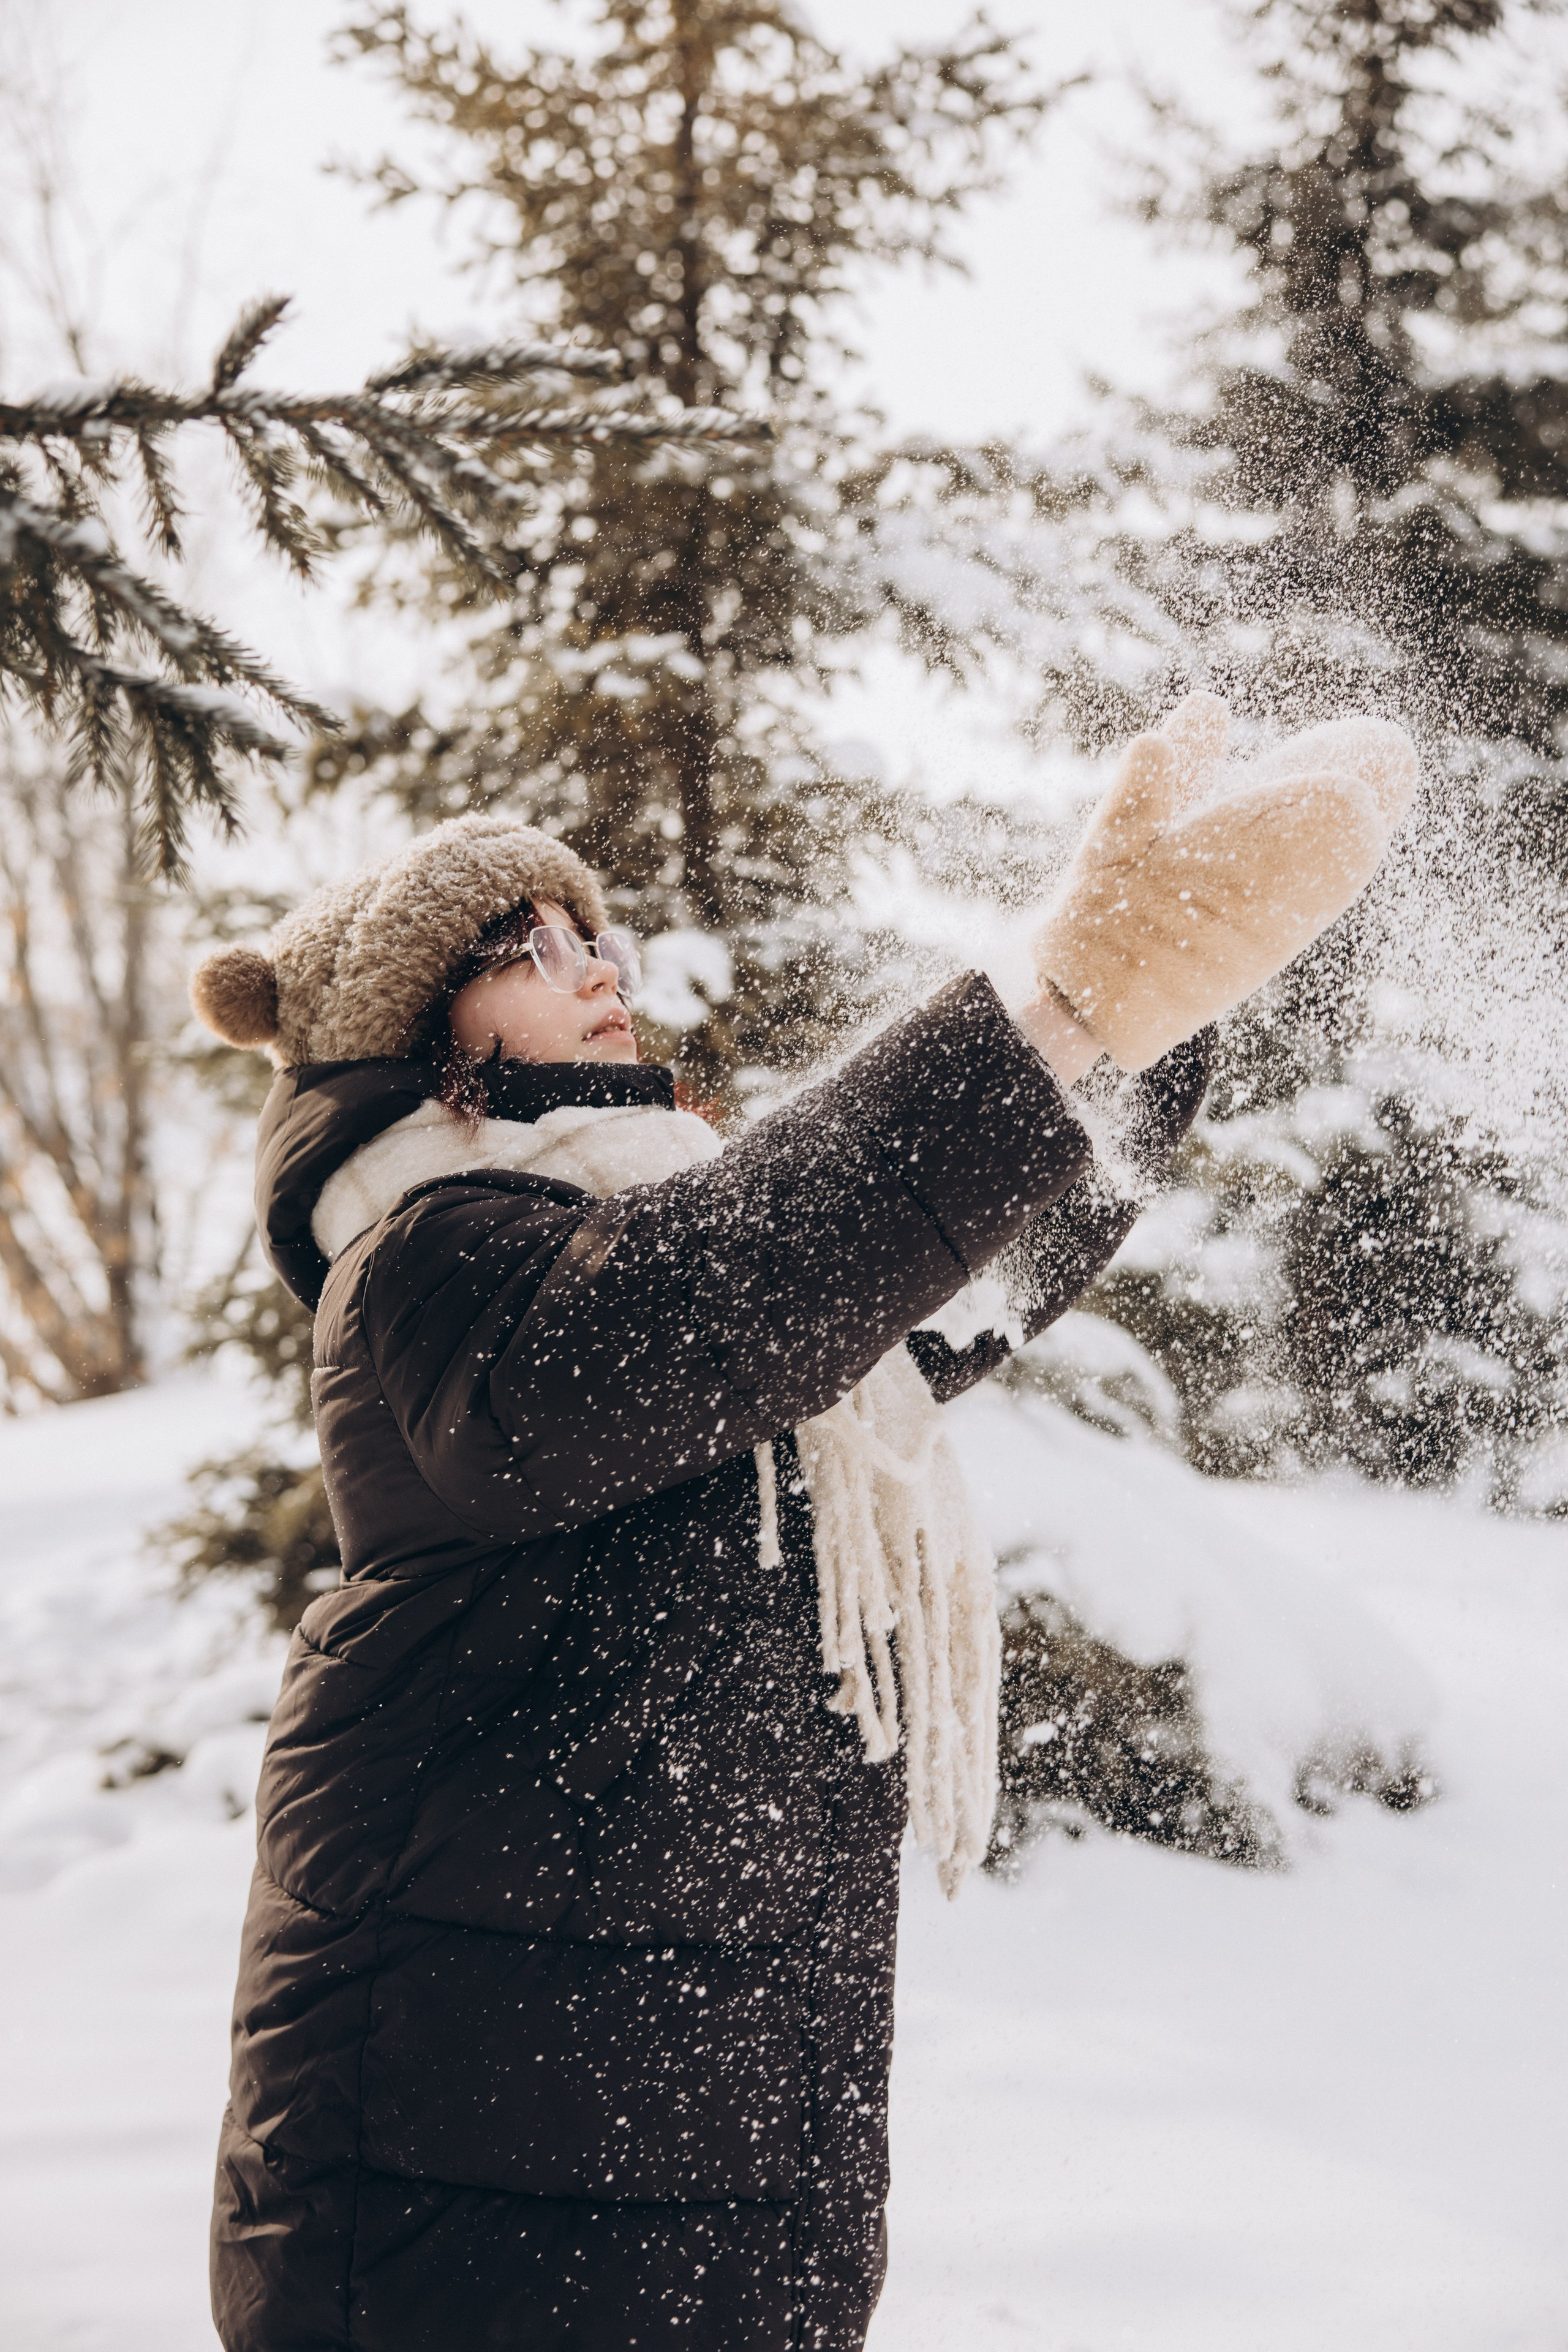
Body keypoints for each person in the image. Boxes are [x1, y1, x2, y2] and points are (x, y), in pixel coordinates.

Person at [189, 695, 1415, 2352]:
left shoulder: (669, 1258)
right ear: (417, 1034)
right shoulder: (429, 1266)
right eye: (522, 939)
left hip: (700, 2144)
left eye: (587, 925)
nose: (589, 957)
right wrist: (1050, 1017)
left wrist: (1135, 1028)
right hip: (460, 2170)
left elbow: (918, 1286)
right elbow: (730, 1292)